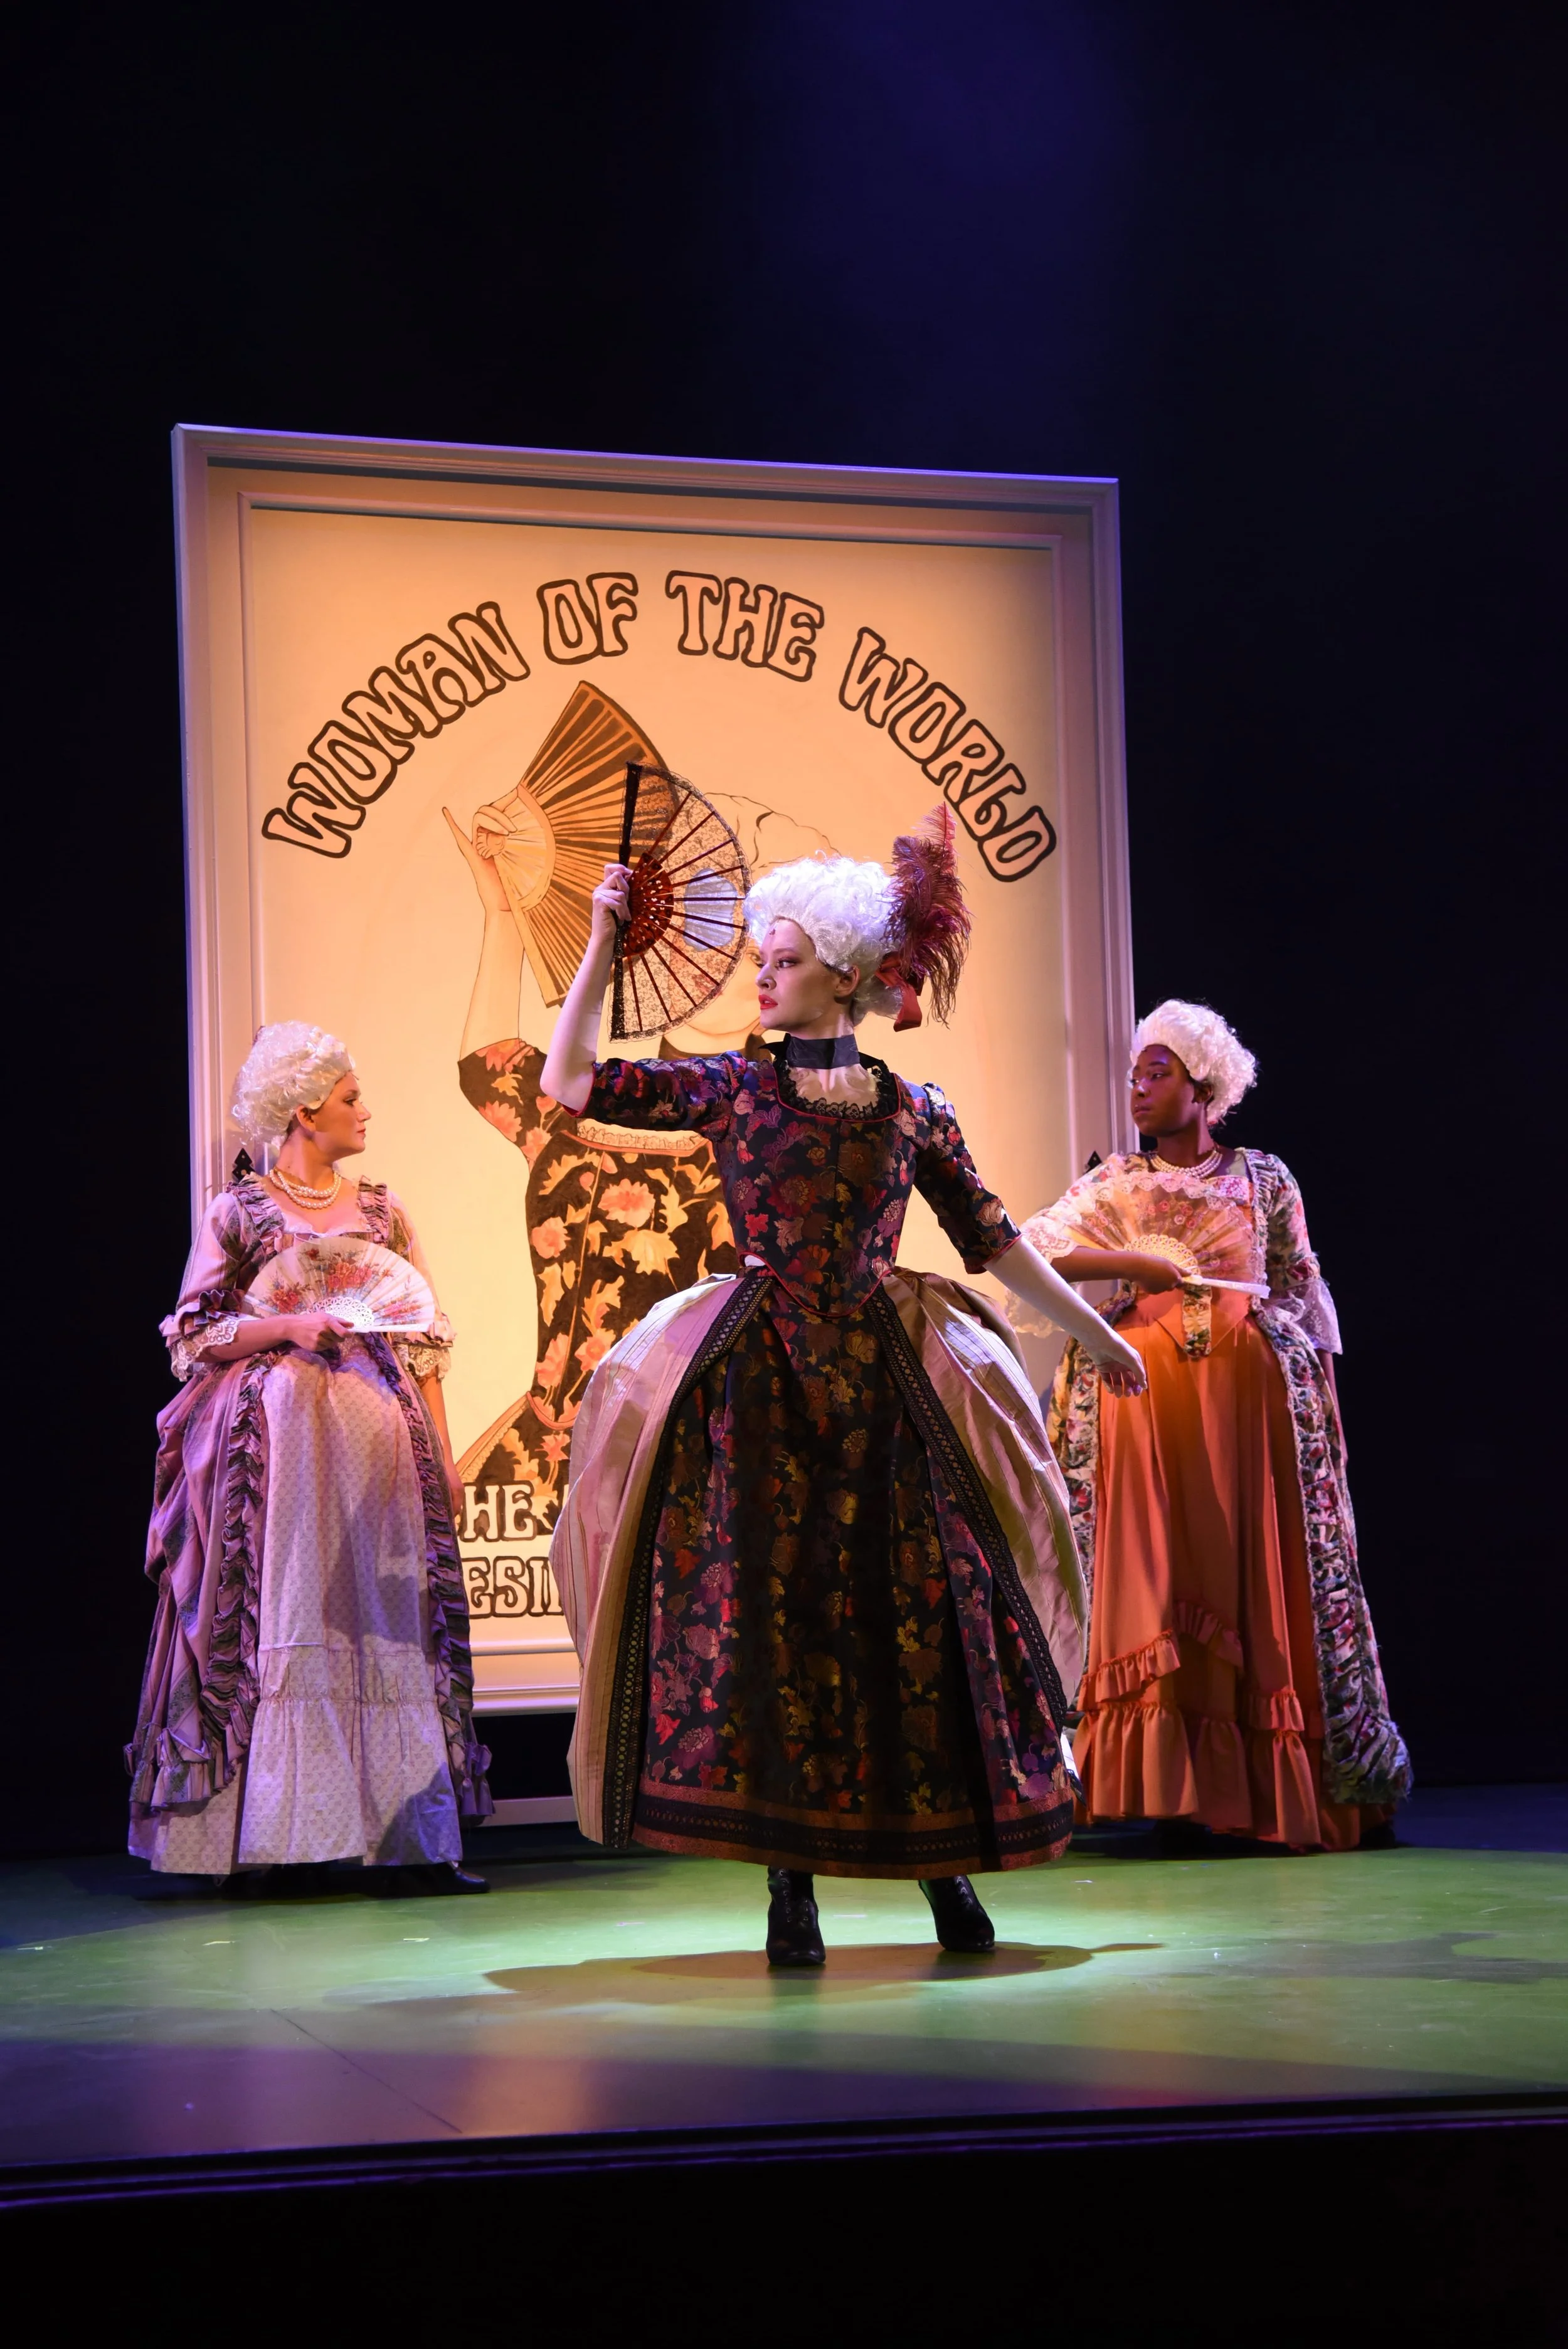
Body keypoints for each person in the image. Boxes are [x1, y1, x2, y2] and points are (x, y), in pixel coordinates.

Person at [546, 810, 1147, 1965]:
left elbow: (998, 1243)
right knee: (781, 1633)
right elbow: (572, 1079)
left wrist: (1093, 1335)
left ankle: (946, 1873)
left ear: (849, 976)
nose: (763, 981)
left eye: (784, 963)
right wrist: (603, 939)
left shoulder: (912, 1110)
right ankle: (791, 1889)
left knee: (920, 1621)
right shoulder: (731, 1088)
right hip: (761, 1387)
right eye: (761, 963)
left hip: (881, 1391)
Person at [1020, 1000, 1409, 1850]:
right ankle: (1169, 1783)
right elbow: (1037, 1247)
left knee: (1247, 1577)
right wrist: (1137, 1260)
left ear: (1205, 1087)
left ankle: (1256, 1787)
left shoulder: (1263, 1178)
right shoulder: (1118, 1178)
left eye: (1158, 1073)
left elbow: (1303, 1294)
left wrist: (1326, 1423)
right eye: (1134, 1074)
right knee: (1160, 1574)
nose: (1139, 1088)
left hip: (1248, 1403)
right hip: (1147, 1401)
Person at [127, 1023, 491, 1886]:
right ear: (305, 1110)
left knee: (388, 1617)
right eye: (351, 1098)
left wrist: (439, 1452)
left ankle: (410, 1838)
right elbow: (194, 1331)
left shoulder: (381, 1212)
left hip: (376, 1439)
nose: (366, 1112)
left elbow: (423, 1338)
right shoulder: (241, 1211)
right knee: (287, 1613)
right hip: (277, 1452)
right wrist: (287, 1324)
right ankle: (275, 1841)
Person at [444, 785, 830, 1532]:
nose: (719, 962)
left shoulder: (782, 1120)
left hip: (704, 1454)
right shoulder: (599, 1104)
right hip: (550, 1461)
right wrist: (500, 914)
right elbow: (491, 1061)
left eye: (752, 951)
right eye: (703, 934)